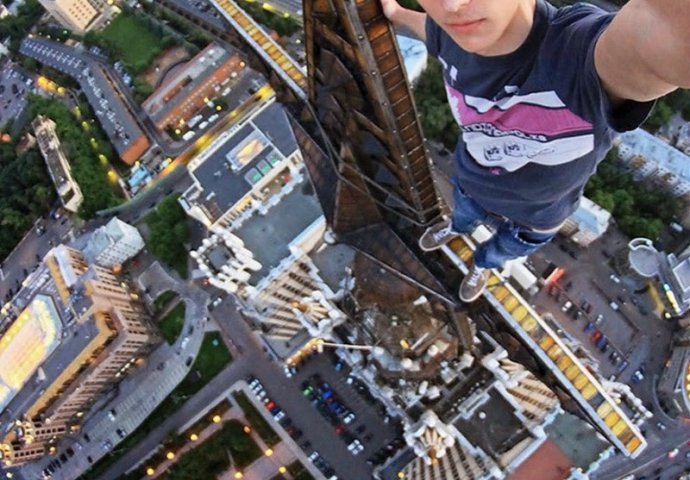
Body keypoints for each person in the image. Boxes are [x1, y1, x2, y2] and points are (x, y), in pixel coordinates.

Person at [380, 0, 689, 302]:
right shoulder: (448, 33)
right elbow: (408, 21)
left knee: (497, 252)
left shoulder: (576, 60)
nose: (451, 5)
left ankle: (482, 265)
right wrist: (392, 12)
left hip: (534, 219)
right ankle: (455, 229)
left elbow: (666, 30)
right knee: (461, 219)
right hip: (473, 185)